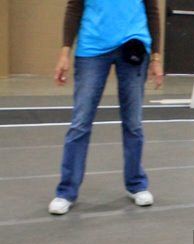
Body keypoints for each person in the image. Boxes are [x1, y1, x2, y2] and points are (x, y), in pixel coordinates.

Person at [49, 0, 164, 215]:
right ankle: (66, 191)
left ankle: (136, 184)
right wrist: (64, 53)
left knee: (133, 123)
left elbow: (152, 11)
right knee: (80, 123)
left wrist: (156, 57)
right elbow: (74, 8)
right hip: (92, 48)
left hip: (133, 44)